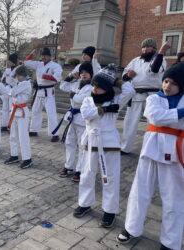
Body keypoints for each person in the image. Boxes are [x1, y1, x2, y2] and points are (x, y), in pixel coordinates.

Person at [117, 62, 184, 250]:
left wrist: (172, 117)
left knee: (174, 197)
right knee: (140, 191)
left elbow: (168, 120)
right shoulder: (153, 98)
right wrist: (179, 114)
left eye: (173, 83)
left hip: (175, 153)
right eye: (166, 81)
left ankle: (170, 242)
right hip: (151, 148)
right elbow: (155, 117)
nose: (167, 86)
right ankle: (131, 228)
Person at [73, 64, 135, 228]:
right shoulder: (88, 99)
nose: (95, 88)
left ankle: (109, 210)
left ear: (107, 87)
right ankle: (85, 203)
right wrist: (105, 109)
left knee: (110, 177)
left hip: (109, 142)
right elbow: (87, 114)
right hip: (91, 140)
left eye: (99, 86)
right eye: (94, 85)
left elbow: (130, 91)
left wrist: (117, 81)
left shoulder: (116, 99)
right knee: (87, 174)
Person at [121, 40, 169, 154]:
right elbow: (124, 76)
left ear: (154, 49)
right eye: (143, 47)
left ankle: (156, 149)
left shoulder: (160, 59)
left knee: (154, 122)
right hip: (136, 95)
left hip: (152, 96)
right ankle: (125, 147)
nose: (145, 49)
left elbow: (155, 69)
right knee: (129, 123)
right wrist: (128, 75)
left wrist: (162, 51)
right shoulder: (135, 61)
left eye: (148, 47)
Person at [57, 62, 94, 182]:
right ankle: (68, 166)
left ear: (91, 74)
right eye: (82, 73)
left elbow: (80, 100)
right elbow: (62, 86)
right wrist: (70, 76)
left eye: (86, 73)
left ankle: (79, 169)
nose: (84, 75)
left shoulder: (92, 88)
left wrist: (72, 94)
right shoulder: (76, 84)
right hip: (72, 118)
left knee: (81, 145)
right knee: (69, 142)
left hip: (82, 119)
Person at [24, 47, 62, 142]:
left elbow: (57, 78)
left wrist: (45, 76)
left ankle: (55, 134)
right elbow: (26, 62)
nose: (44, 57)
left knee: (51, 113)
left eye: (45, 55)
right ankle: (34, 130)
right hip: (39, 91)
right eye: (42, 55)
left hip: (49, 91)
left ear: (50, 56)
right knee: (35, 111)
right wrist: (31, 54)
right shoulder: (39, 64)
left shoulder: (55, 66)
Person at [4, 65, 33, 169]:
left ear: (24, 75)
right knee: (13, 134)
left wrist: (10, 89)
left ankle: (27, 158)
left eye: (20, 75)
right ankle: (14, 155)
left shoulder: (26, 83)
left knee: (22, 136)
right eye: (17, 75)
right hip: (15, 110)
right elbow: (8, 80)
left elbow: (12, 92)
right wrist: (15, 70)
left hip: (22, 111)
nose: (18, 77)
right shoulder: (19, 82)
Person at [1, 53, 19, 132]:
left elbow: (17, 81)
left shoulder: (18, 69)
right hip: (6, 88)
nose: (8, 62)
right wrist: (4, 80)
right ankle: (4, 124)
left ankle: (11, 125)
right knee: (5, 108)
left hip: (13, 89)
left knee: (11, 108)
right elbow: (2, 79)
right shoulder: (7, 70)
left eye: (9, 60)